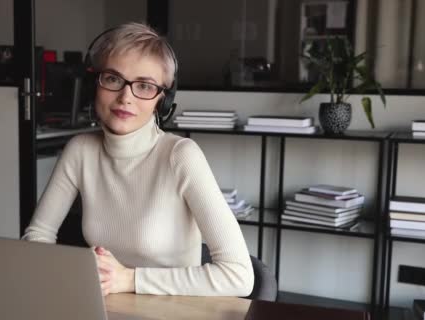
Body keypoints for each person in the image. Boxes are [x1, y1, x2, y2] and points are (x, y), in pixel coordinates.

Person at [23, 22, 254, 297]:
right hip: (105, 310)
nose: (125, 97)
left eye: (144, 86)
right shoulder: (80, 150)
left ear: (162, 101)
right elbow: (37, 236)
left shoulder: (181, 156)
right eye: (113, 79)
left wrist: (130, 280)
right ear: (93, 85)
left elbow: (239, 275)